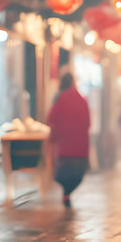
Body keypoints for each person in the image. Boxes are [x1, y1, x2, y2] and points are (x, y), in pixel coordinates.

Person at [47, 73, 91, 207]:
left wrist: (56, 134)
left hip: (64, 145)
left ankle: (66, 192)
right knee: (77, 173)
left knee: (64, 172)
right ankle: (67, 193)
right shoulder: (82, 100)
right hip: (80, 146)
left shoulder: (60, 98)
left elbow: (51, 119)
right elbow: (88, 122)